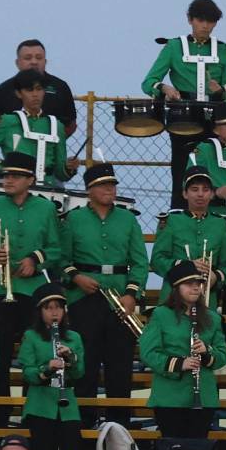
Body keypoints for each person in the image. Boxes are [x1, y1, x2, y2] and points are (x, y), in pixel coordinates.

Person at [0, 154, 64, 403]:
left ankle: (31, 411)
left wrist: (34, 260)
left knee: (34, 354)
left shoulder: (45, 208)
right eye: (5, 175)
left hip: (33, 293)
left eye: (14, 175)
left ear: (30, 179)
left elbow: (56, 249)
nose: (8, 180)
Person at [62, 162, 148, 425]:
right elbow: (61, 260)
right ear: (89, 189)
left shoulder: (128, 219)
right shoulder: (73, 219)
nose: (110, 189)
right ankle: (85, 431)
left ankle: (119, 431)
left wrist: (132, 295)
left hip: (120, 302)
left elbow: (140, 262)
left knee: (120, 370)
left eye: (112, 184)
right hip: (84, 300)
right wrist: (76, 277)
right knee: (85, 368)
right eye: (103, 185)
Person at [143, 0, 226, 207]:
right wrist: (165, 88)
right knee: (182, 171)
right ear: (190, 20)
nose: (205, 26)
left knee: (216, 171)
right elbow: (148, 81)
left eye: (211, 22)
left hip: (215, 121)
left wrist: (221, 91)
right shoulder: (174, 47)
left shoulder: (223, 50)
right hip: (183, 120)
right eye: (201, 20)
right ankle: (178, 216)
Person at [138, 262, 226, 439]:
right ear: (176, 288)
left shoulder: (212, 318)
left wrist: (207, 352)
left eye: (198, 283)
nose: (196, 287)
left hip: (203, 396)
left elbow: (222, 355)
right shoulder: (161, 314)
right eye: (189, 284)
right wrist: (180, 363)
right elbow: (148, 353)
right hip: (169, 397)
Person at [17, 285, 85, 450]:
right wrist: (48, 368)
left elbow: (80, 373)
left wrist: (70, 358)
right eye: (49, 308)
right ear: (40, 311)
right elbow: (27, 372)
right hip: (40, 405)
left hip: (68, 406)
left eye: (59, 307)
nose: (55, 312)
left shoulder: (74, 338)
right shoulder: (31, 336)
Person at [149, 165, 226, 309]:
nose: (200, 194)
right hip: (173, 298)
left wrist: (216, 277)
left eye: (205, 190)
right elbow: (157, 261)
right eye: (194, 190)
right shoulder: (171, 221)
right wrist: (186, 266)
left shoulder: (221, 225)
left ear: (212, 194)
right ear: (185, 194)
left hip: (206, 300)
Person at [0, 38, 76, 132]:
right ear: (17, 63)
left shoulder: (60, 87)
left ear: (45, 61)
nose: (34, 62)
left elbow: (71, 124)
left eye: (39, 58)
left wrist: (54, 141)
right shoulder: (4, 90)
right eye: (28, 58)